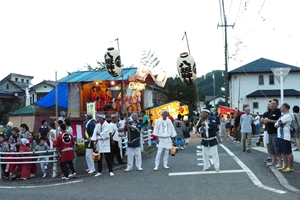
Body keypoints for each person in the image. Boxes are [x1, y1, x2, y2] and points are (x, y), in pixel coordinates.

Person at [275, 103, 294, 172]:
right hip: (280, 136)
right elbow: (276, 124)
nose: (280, 108)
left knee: (288, 152)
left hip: (285, 136)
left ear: (285, 107)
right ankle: (285, 165)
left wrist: (277, 124)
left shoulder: (288, 116)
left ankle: (290, 167)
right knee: (283, 152)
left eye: (281, 107)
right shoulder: (283, 116)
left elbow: (278, 124)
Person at [265, 99, 283, 168]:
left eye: (274, 104)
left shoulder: (278, 112)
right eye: (271, 104)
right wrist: (265, 120)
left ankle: (280, 162)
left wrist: (269, 120)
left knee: (276, 147)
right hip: (269, 131)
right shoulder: (269, 111)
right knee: (271, 147)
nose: (272, 105)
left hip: (276, 132)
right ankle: (273, 161)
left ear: (277, 105)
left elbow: (279, 121)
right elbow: (266, 119)